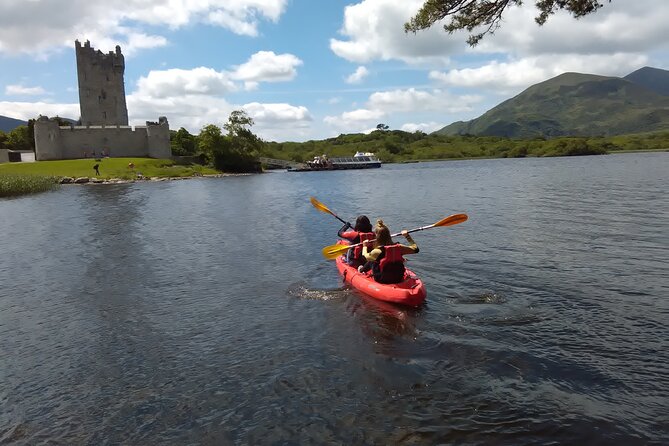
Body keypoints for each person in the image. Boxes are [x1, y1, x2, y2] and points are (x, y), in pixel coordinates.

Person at [358, 219, 419, 284]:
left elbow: (364, 256)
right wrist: (407, 236)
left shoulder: (377, 251)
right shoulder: (399, 247)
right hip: (398, 277)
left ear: (376, 237)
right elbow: (415, 249)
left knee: (371, 261)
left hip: (382, 279)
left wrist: (364, 246)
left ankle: (361, 270)